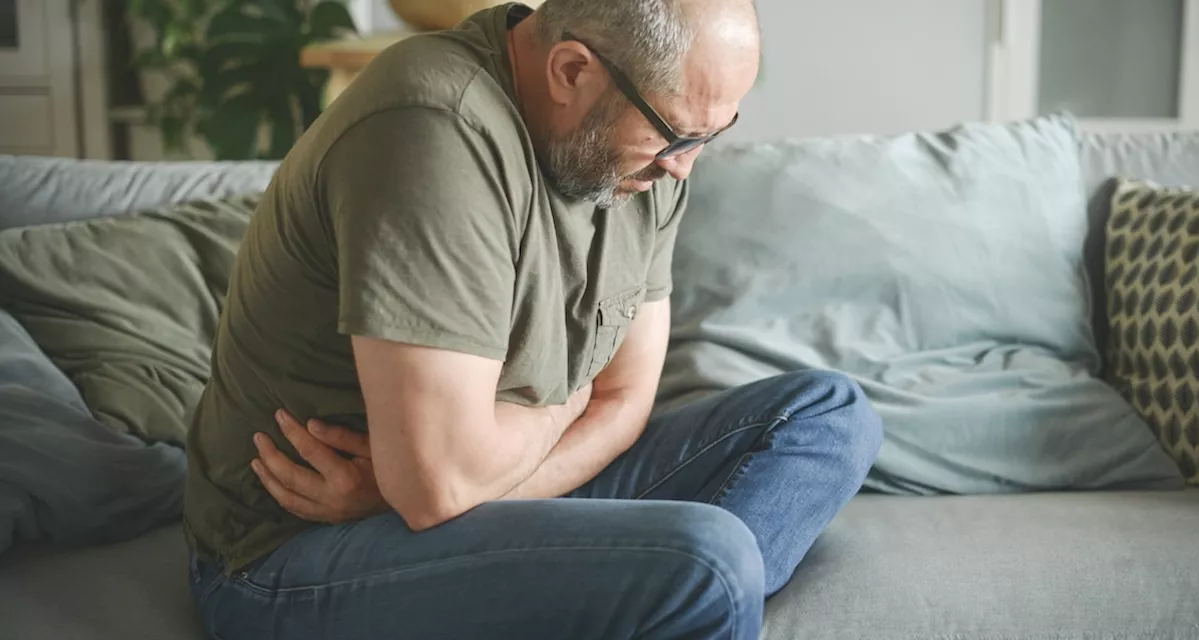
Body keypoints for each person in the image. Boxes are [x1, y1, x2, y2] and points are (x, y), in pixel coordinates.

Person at [183, 0, 884, 638]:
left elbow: (625, 399)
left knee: (828, 415)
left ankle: (638, 603)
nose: (685, 169)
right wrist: (560, 411)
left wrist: (421, 494)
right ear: (571, 69)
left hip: (409, 504)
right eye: (675, 135)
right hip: (287, 559)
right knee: (711, 561)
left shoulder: (650, 155)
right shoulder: (432, 125)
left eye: (713, 133)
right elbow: (441, 483)